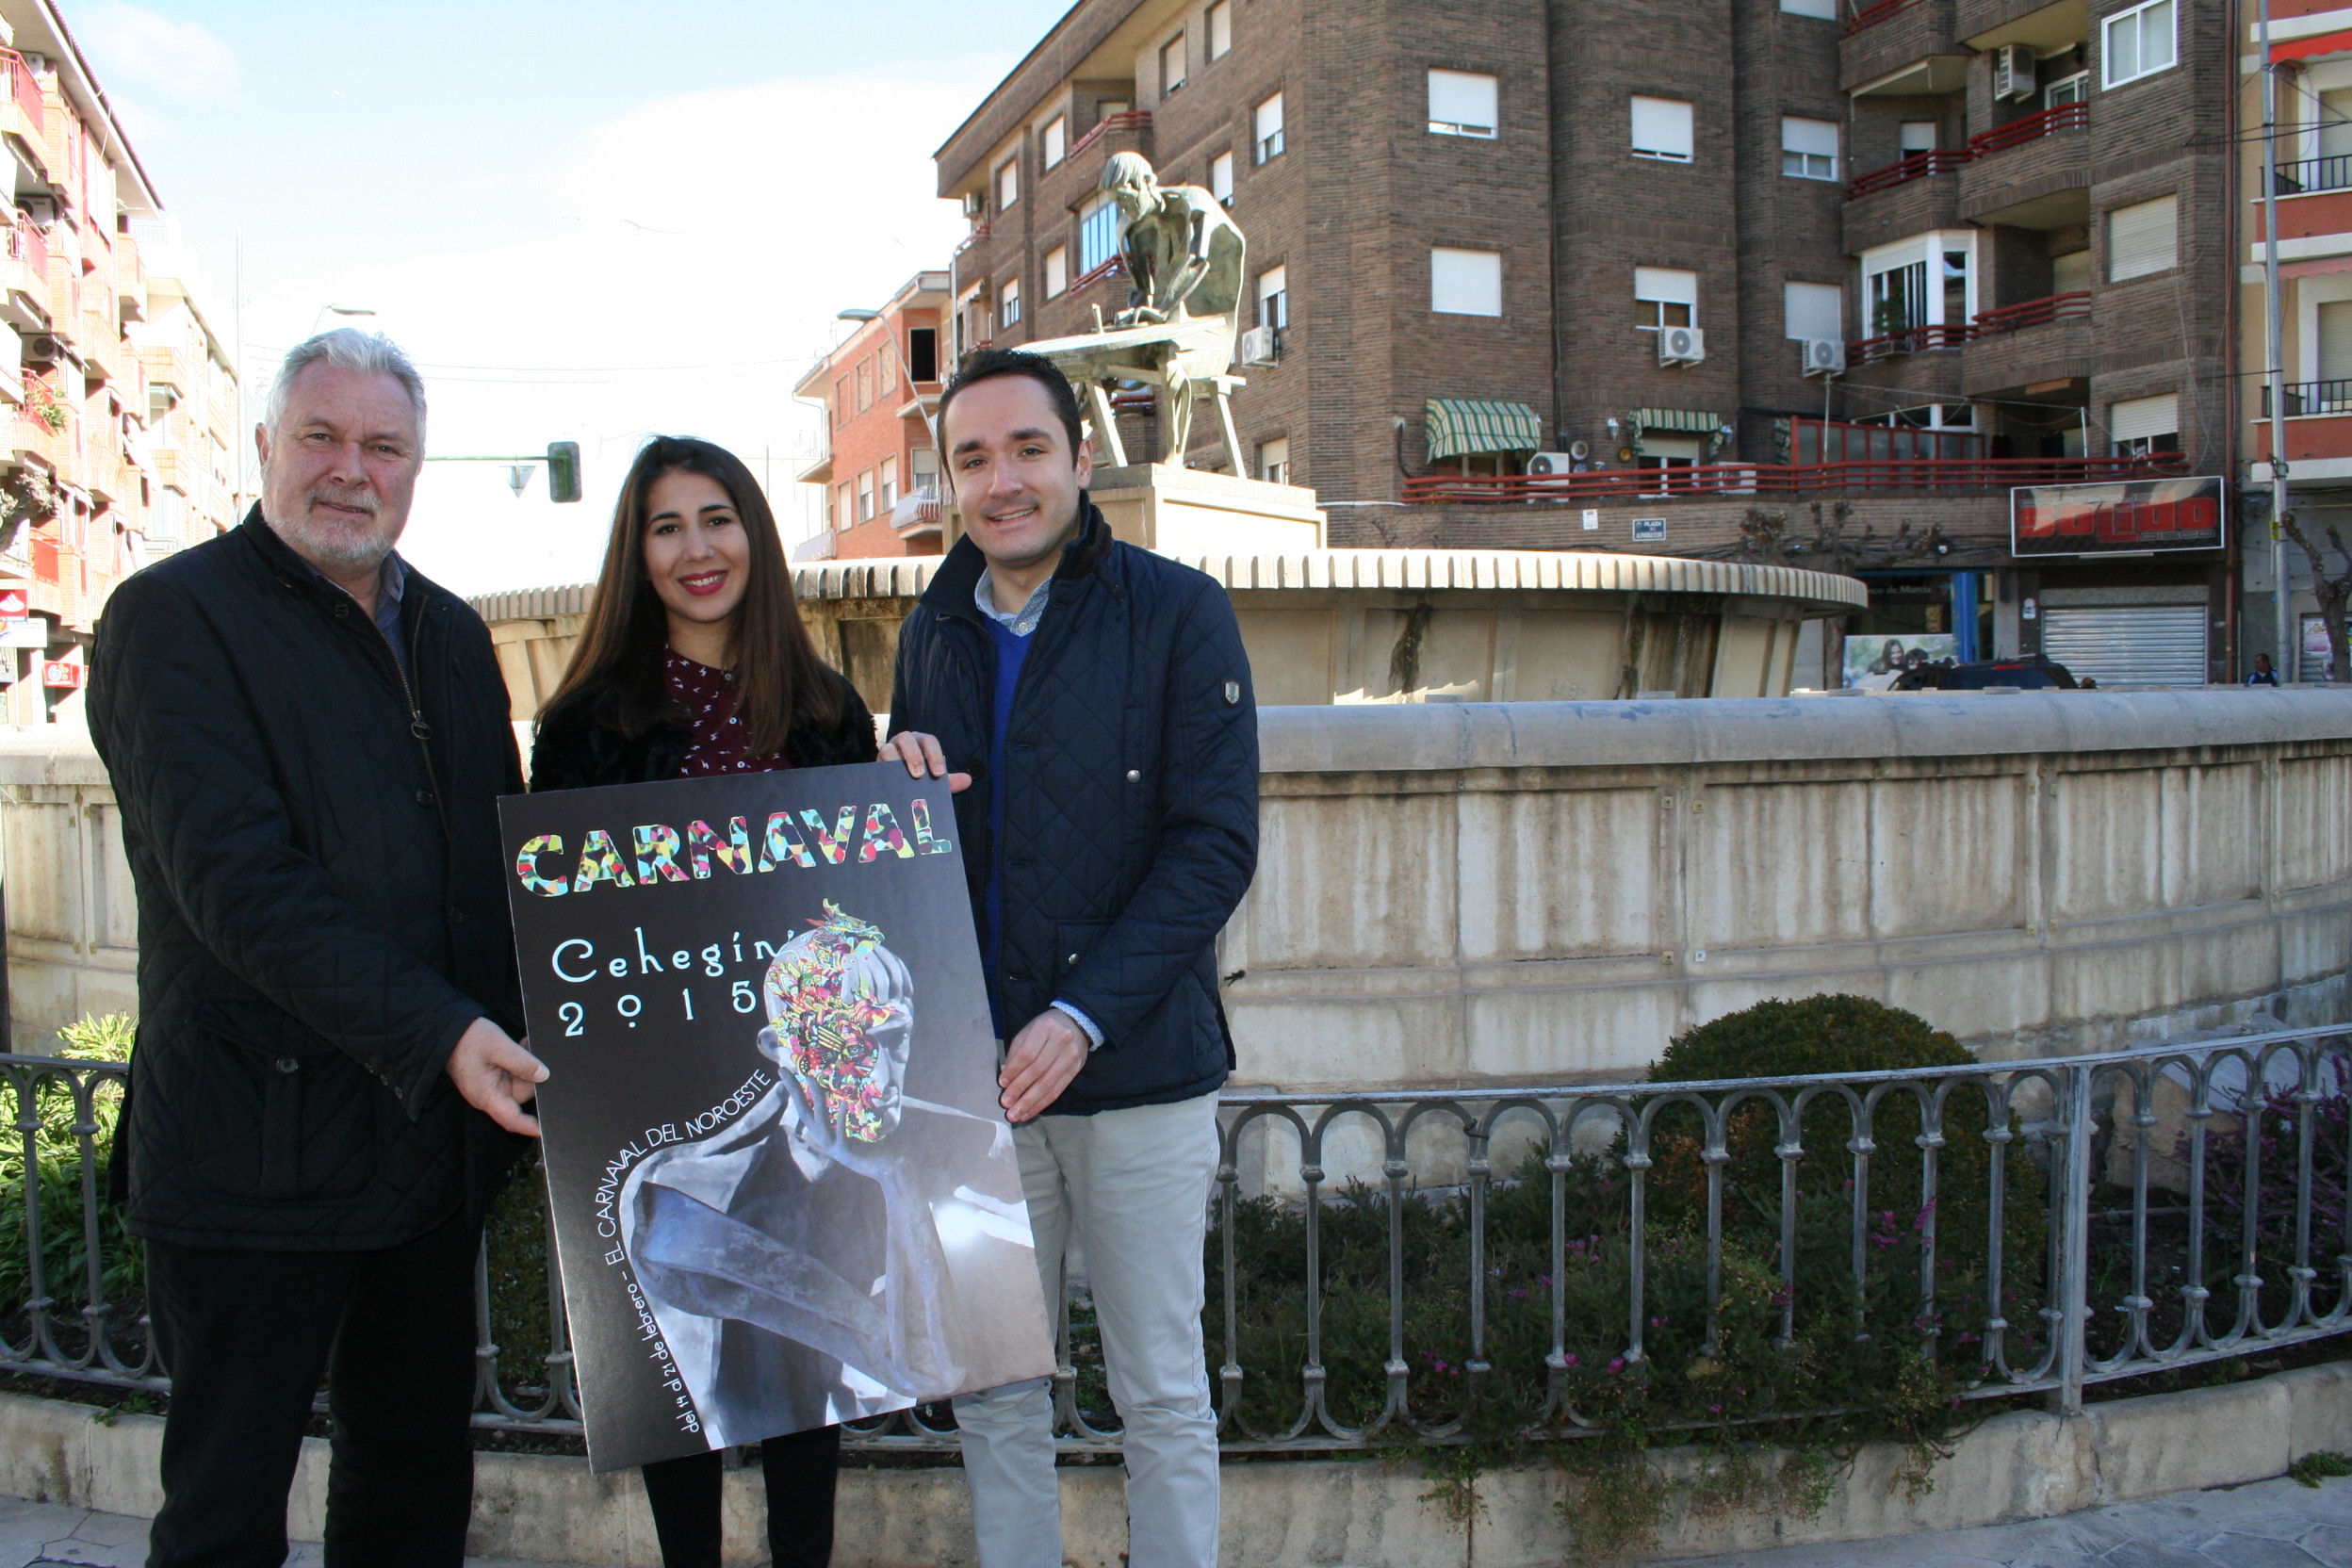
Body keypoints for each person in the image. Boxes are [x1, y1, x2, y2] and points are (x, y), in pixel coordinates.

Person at [86, 329, 548, 1568]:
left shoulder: (451, 633)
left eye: (383, 446)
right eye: (322, 437)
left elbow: (502, 865)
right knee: (225, 1514)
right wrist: (446, 1032)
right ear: (265, 447)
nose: (352, 469)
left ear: (416, 468)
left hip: (424, 1156)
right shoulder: (171, 618)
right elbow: (236, 885)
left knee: (412, 1489)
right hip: (251, 1151)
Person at [879, 348, 1260, 1568]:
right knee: (995, 1392)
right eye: (973, 458)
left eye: (1028, 448)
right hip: (978, 1084)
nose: (1003, 480)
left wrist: (1081, 1014)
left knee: (1162, 1389)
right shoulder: (931, 632)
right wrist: (889, 800)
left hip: (1138, 1071)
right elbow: (925, 860)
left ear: (1081, 459)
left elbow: (1214, 847)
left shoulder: (1180, 611)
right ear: (950, 481)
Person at [527, 436, 878, 1568]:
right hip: (655, 1103)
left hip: (799, 1108)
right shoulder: (585, 726)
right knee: (670, 1384)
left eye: (717, 518)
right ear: (637, 554)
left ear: (754, 535)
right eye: (666, 526)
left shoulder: (827, 711)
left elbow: (867, 906)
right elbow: (562, 926)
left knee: (803, 1365)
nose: (696, 548)